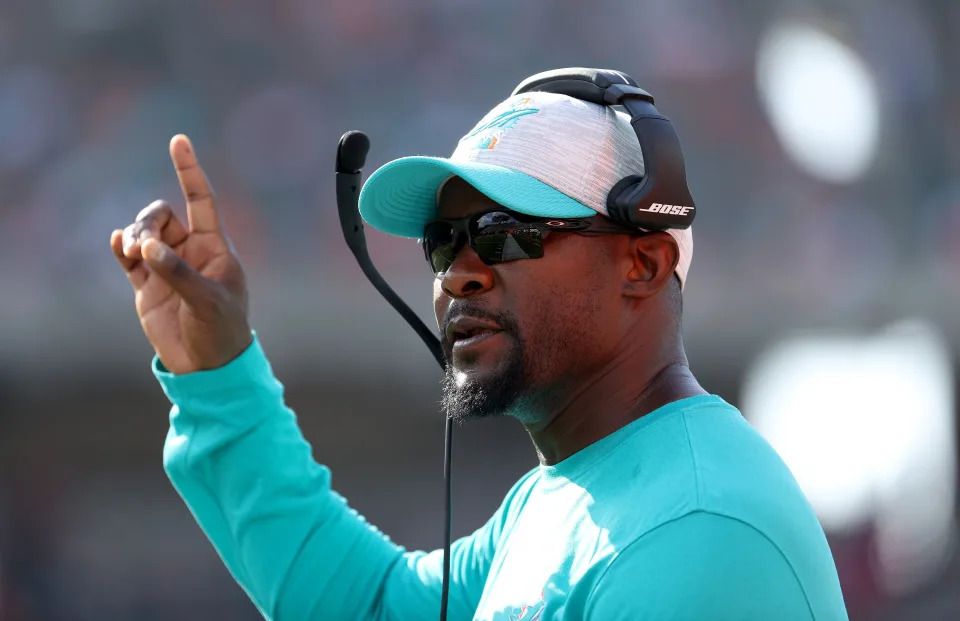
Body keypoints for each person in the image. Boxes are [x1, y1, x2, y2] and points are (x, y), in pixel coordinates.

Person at [110, 81, 848, 620]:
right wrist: (216, 370)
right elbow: (369, 604)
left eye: (503, 232)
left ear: (643, 265)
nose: (460, 271)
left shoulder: (696, 532)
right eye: (444, 242)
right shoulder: (564, 495)